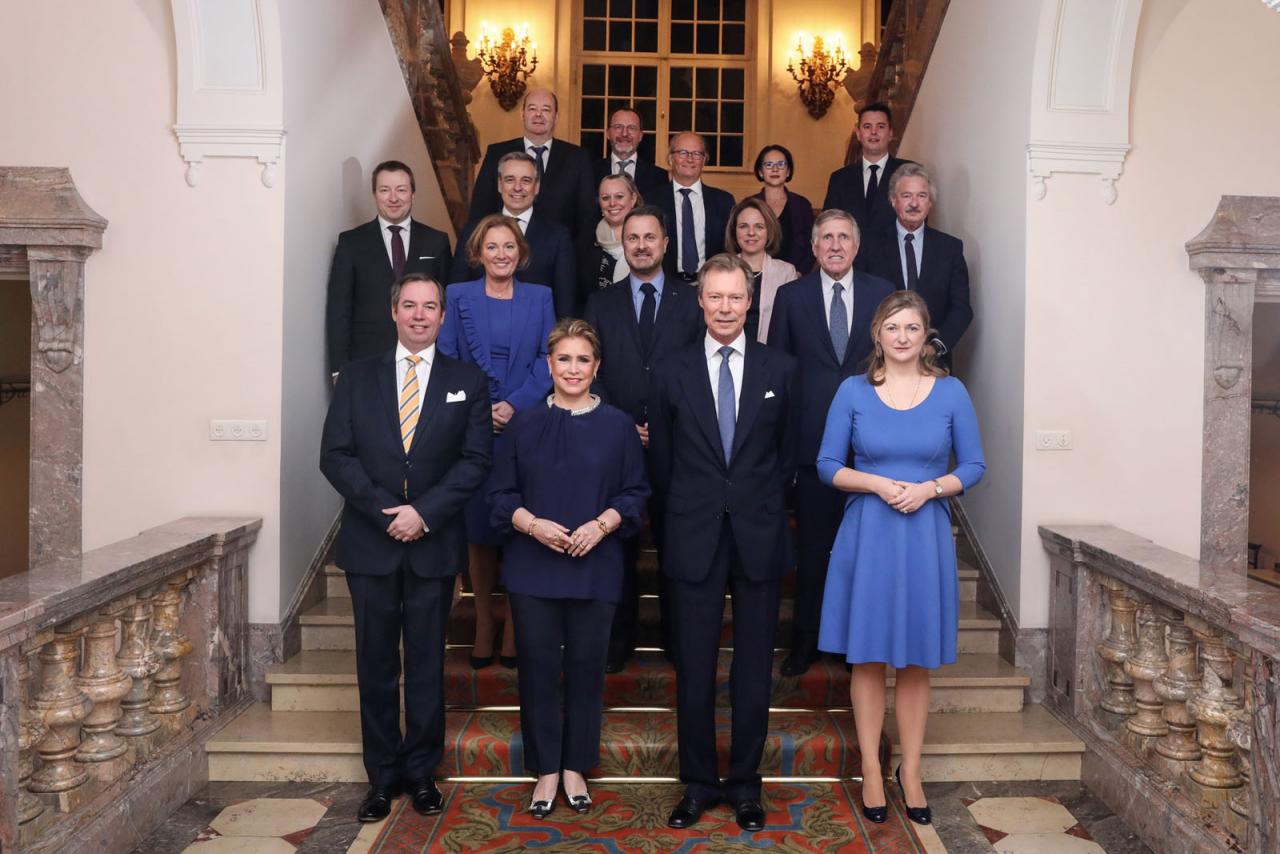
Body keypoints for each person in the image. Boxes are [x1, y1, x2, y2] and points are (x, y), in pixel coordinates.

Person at [319, 273, 492, 822]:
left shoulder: (469, 380)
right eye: (410, 306)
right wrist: (384, 511)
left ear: (443, 316)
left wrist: (425, 513)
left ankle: (421, 774)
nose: (420, 315)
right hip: (371, 544)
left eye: (431, 307)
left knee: (424, 664)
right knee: (374, 665)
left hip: (433, 545)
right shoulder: (357, 377)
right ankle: (382, 776)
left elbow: (475, 461)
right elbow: (336, 454)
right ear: (394, 311)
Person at [816, 290, 984, 826]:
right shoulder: (853, 391)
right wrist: (876, 484)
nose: (903, 336)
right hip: (868, 532)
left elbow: (976, 465)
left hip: (925, 535)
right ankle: (870, 767)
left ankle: (909, 770)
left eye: (912, 327)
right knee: (867, 656)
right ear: (877, 334)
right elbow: (826, 464)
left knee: (914, 659)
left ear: (925, 335)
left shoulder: (952, 392)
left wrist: (932, 488)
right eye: (893, 327)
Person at [650, 254, 799, 834]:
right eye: (715, 297)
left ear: (750, 301)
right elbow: (661, 461)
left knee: (754, 667)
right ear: (701, 300)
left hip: (759, 535)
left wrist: (756, 499)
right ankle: (697, 781)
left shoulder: (781, 369)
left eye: (735, 297)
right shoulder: (669, 370)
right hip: (693, 532)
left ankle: (743, 784)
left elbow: (788, 455)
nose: (725, 307)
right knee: (694, 663)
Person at [488, 318, 650, 819]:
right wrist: (533, 525)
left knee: (585, 670)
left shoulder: (619, 425)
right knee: (537, 670)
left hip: (595, 565)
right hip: (532, 565)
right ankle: (546, 770)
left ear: (596, 366)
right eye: (564, 359)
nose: (573, 368)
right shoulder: (524, 423)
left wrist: (601, 525)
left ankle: (577, 765)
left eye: (583, 360)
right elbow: (499, 495)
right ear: (549, 365)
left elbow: (636, 493)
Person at [766, 210, 895, 677]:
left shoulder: (884, 295)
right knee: (815, 551)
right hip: (812, 449)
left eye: (844, 237)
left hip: (871, 451)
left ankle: (852, 644)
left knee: (863, 554)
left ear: (856, 247)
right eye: (826, 238)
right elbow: (776, 373)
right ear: (814, 248)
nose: (836, 245)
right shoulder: (790, 296)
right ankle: (806, 642)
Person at [584, 205, 704, 672]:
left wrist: (669, 422)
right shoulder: (601, 303)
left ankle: (679, 643)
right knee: (618, 550)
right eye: (632, 238)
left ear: (665, 243)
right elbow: (590, 371)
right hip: (617, 446)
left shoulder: (690, 299)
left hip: (680, 446)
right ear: (623, 243)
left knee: (678, 550)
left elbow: (699, 370)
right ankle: (618, 644)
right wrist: (620, 422)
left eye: (649, 237)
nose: (640, 245)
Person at [438, 215, 556, 669]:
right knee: (480, 528)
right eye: (493, 247)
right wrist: (483, 407)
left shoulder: (540, 296)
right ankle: (484, 617)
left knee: (519, 526)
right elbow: (446, 358)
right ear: (478, 253)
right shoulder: (458, 296)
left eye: (509, 246)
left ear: (520, 252)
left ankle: (514, 624)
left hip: (525, 427)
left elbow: (549, 358)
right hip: (475, 426)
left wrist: (517, 405)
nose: (501, 254)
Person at [326, 160, 453, 376]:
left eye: (401, 190)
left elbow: (446, 305)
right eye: (385, 190)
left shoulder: (437, 241)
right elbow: (339, 311)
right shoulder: (351, 242)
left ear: (412, 194)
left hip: (425, 359)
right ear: (375, 195)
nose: (393, 198)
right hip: (366, 362)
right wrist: (339, 370)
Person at [856, 163, 973, 363]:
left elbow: (961, 308)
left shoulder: (950, 248)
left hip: (933, 361)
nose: (914, 203)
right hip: (881, 358)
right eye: (906, 196)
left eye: (922, 196)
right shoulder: (868, 245)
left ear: (930, 203)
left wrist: (935, 347)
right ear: (893, 200)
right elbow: (859, 301)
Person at [451, 152, 577, 318]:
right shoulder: (472, 232)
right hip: (479, 333)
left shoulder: (558, 236)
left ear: (537, 186)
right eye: (510, 179)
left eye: (526, 180)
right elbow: (457, 293)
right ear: (499, 184)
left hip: (536, 336)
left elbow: (565, 304)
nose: (517, 187)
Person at [468, 88, 596, 245]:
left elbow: (587, 218)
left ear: (556, 117)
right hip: (504, 253)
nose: (538, 115)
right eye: (532, 108)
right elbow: (480, 209)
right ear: (522, 115)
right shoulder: (497, 153)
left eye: (546, 110)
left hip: (558, 256)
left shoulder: (578, 157)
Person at [821, 103, 913, 263]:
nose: (874, 132)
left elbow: (916, 219)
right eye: (867, 126)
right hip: (851, 266)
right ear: (858, 133)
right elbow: (829, 224)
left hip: (895, 264)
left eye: (881, 126)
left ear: (891, 133)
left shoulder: (908, 173)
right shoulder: (840, 178)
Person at [652, 132, 736, 283]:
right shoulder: (652, 200)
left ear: (704, 160)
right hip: (665, 283)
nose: (689, 159)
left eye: (696, 154)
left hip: (711, 283)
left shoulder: (724, 201)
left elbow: (731, 247)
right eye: (682, 152)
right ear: (670, 158)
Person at [724, 197, 797, 343]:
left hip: (771, 355)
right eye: (743, 226)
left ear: (769, 231)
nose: (751, 233)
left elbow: (792, 326)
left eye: (759, 226)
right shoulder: (721, 270)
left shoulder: (786, 273)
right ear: (734, 231)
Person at [750, 144, 815, 274]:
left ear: (788, 171)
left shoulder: (802, 205)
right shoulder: (750, 205)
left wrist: (800, 272)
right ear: (760, 172)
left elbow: (813, 244)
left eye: (781, 164)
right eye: (768, 164)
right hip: (756, 275)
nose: (775, 169)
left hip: (794, 277)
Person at [582, 172, 642, 296]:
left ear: (633, 199)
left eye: (619, 196)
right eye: (605, 198)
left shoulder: (649, 237)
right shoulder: (586, 240)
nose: (612, 203)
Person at [591, 106, 668, 191]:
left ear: (640, 136)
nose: (624, 134)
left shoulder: (658, 176)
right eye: (618, 127)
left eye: (632, 128)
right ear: (608, 133)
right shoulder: (590, 172)